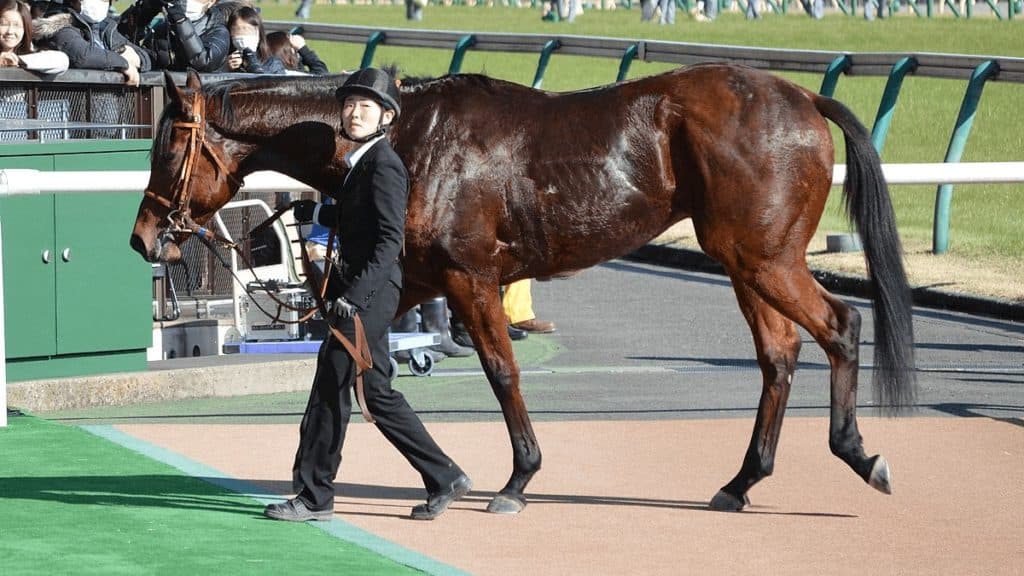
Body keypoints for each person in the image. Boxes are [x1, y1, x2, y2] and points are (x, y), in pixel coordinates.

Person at [264, 68, 471, 523]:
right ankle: (445, 476)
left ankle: (315, 497)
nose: (354, 113)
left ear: (386, 116)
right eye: (350, 105)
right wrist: (314, 210)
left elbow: (387, 241)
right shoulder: (365, 163)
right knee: (376, 393)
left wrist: (353, 297)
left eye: (366, 106)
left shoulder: (385, 166)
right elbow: (360, 218)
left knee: (330, 389)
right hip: (366, 292)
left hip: (367, 295)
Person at [32, 0, 148, 84]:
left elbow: (146, 58)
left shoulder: (106, 28)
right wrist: (123, 63)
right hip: (68, 107)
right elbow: (83, 56)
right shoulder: (60, 28)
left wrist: (129, 55)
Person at [116, 0, 229, 72]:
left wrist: (179, 19)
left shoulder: (218, 31)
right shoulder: (163, 29)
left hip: (197, 103)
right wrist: (147, 10)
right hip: (162, 98)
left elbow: (203, 62)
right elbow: (120, 35)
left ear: (211, 2)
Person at [0, 0, 68, 74]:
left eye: (17, 25)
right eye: (4, 24)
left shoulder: (31, 57)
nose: (10, 31)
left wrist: (18, 60)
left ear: (25, 29)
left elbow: (63, 60)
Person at [223, 5, 284, 74]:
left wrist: (253, 67)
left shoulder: (272, 63)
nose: (244, 34)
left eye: (249, 30)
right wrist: (227, 70)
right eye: (237, 30)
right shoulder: (222, 59)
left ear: (259, 33)